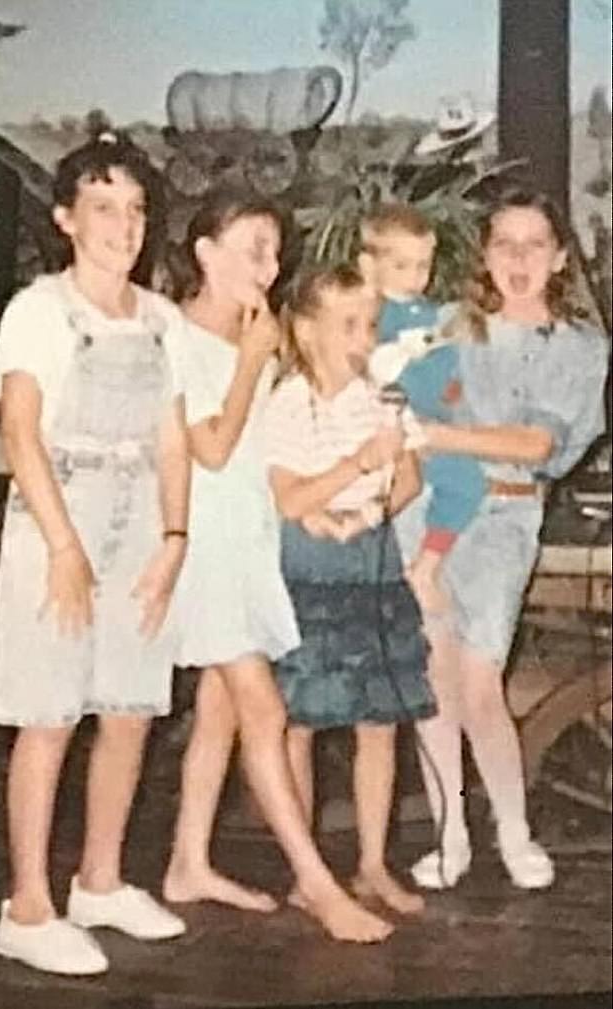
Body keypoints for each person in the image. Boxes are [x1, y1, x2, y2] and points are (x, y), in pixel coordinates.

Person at [0, 131, 190, 975]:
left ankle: (99, 881)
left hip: (140, 521)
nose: (124, 224)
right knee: (50, 713)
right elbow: (19, 430)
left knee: (130, 708)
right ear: (68, 219)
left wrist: (173, 540)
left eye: (136, 209)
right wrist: (64, 545)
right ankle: (26, 907)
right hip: (55, 519)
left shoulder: (161, 319)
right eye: (105, 207)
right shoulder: (39, 309)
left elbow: (173, 442)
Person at [163, 186, 394, 944]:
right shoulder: (181, 334)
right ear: (205, 252)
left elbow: (261, 457)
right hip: (206, 549)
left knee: (222, 712)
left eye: (272, 247)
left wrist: (317, 507)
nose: (268, 262)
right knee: (265, 710)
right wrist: (252, 361)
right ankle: (319, 885)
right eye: (251, 247)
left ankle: (187, 863)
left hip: (252, 541)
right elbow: (211, 448)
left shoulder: (249, 335)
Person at [393, 189, 609, 890]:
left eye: (534, 244)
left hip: (505, 520)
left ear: (557, 256)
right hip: (424, 510)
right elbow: (387, 379)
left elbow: (535, 444)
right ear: (485, 254)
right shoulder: (454, 327)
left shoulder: (580, 347)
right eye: (504, 243)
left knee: (480, 679)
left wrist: (440, 435)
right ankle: (448, 835)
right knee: (433, 681)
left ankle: (513, 832)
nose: (519, 259)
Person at [264, 263, 435, 915]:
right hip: (308, 568)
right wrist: (352, 469)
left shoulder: (382, 397)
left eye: (370, 325)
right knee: (300, 720)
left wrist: (367, 510)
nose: (364, 338)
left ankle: (370, 863)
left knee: (378, 720)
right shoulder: (287, 399)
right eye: (348, 326)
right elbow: (288, 496)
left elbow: (411, 476)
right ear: (308, 332)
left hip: (372, 561)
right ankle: (308, 872)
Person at [359, 203, 486, 611]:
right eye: (401, 266)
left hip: (436, 420)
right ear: (369, 265)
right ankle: (408, 567)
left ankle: (426, 563)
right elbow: (376, 367)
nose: (415, 277)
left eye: (422, 266)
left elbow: (449, 362)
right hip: (397, 422)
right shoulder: (370, 312)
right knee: (454, 483)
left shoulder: (431, 312)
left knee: (467, 482)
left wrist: (453, 386)